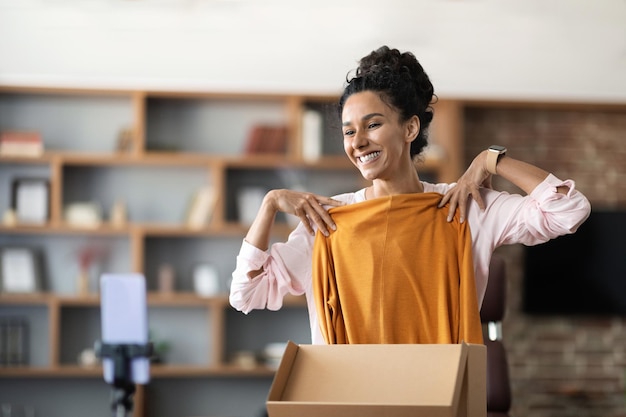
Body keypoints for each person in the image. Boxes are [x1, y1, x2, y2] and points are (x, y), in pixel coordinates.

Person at [229, 45, 591, 345]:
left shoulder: (464, 206)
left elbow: (567, 210)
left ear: (410, 127)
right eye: (348, 131)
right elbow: (246, 295)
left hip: (440, 398)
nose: (358, 142)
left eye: (373, 125)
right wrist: (271, 203)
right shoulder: (327, 221)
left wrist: (490, 159)